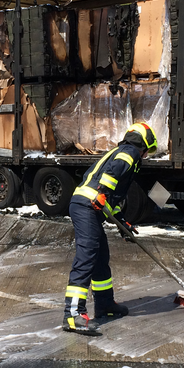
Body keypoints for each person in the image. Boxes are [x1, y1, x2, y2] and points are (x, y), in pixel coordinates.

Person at [62, 121, 158, 335]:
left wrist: (122, 222)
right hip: (87, 205)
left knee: (100, 257)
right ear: (143, 143)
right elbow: (112, 175)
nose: (145, 155)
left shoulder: (122, 150)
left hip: (90, 206)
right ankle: (72, 314)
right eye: (147, 150)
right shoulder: (130, 152)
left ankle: (105, 304)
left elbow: (110, 201)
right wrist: (103, 191)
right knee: (87, 256)